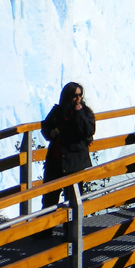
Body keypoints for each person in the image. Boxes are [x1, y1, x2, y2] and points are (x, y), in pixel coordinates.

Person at [41, 82, 96, 211]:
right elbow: (46, 126)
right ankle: (45, 231)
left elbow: (89, 130)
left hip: (73, 164)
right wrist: (51, 132)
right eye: (75, 96)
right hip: (55, 162)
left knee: (72, 201)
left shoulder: (85, 112)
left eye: (80, 95)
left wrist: (79, 114)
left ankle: (70, 230)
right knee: (49, 199)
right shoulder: (58, 111)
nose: (78, 99)